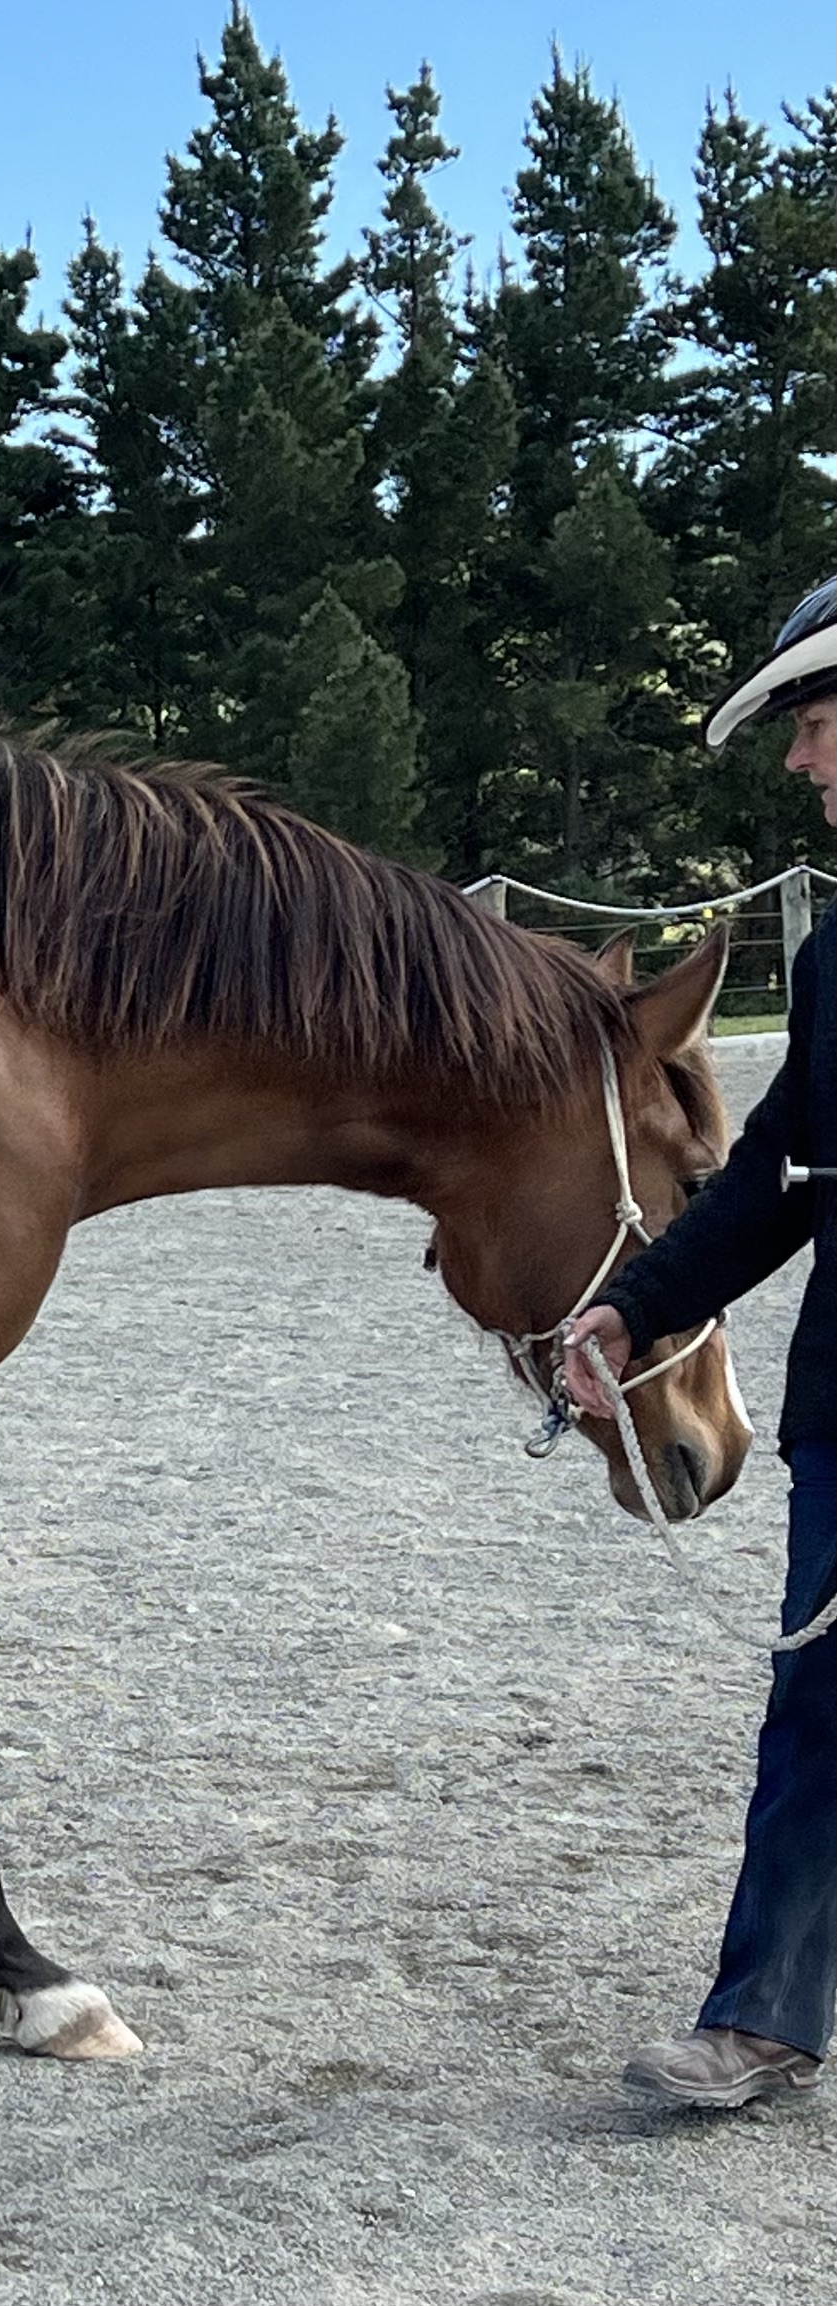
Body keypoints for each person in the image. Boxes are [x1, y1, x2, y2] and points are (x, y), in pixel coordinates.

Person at [561, 574, 837, 2109]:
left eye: (811, 725)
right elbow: (772, 1178)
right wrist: (634, 1301)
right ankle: (764, 2017)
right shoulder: (834, 964)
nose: (801, 763)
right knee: (820, 1713)